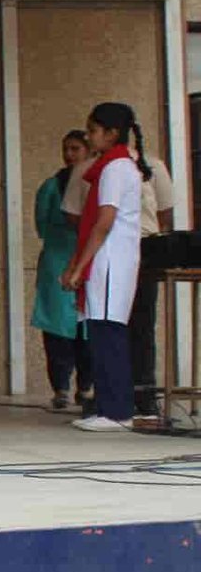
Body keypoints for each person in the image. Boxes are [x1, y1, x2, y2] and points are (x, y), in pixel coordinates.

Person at [61, 103, 146, 432]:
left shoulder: (115, 168)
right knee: (100, 331)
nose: (90, 137)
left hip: (110, 259)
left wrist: (79, 267)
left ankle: (117, 410)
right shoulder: (112, 166)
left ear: (112, 134)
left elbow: (104, 221)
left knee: (108, 332)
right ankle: (108, 405)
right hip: (108, 258)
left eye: (93, 131)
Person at [33, 131, 94, 412]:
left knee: (88, 328)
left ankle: (86, 386)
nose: (70, 155)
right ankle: (61, 388)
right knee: (56, 329)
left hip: (88, 259)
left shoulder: (95, 184)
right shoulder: (51, 186)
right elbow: (41, 224)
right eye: (66, 149)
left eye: (76, 149)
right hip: (57, 261)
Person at [131, 145, 177, 417]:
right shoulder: (95, 166)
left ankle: (145, 393)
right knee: (112, 325)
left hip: (144, 247)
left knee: (143, 323)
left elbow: (164, 213)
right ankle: (115, 393)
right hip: (110, 249)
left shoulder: (152, 165)